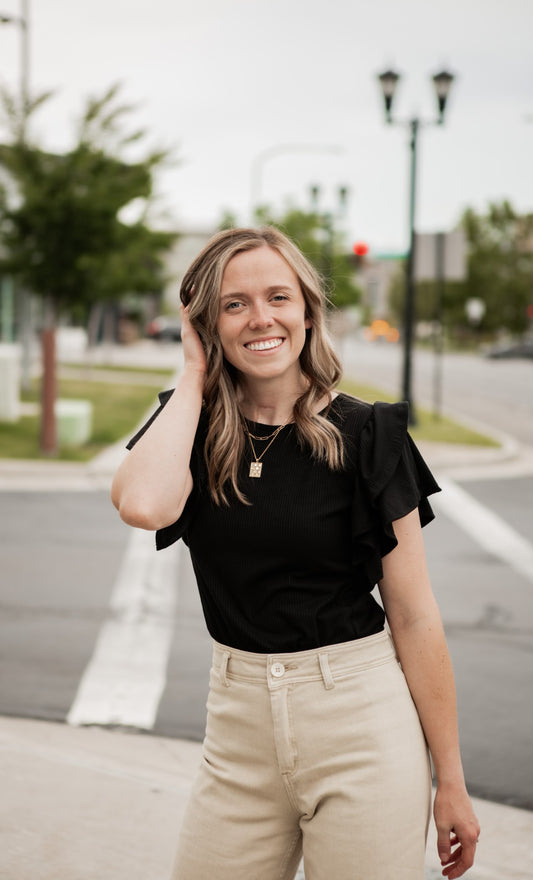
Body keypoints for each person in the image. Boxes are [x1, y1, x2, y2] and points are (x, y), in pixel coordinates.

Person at [111, 226, 480, 880]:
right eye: (234, 304)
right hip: (236, 731)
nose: (260, 318)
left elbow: (415, 616)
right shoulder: (188, 424)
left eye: (278, 297)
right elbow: (144, 505)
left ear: (308, 311)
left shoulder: (368, 436)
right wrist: (193, 373)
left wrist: (448, 778)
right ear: (208, 324)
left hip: (360, 724)